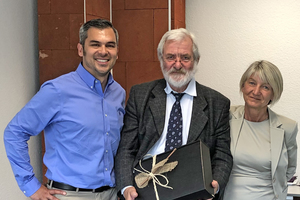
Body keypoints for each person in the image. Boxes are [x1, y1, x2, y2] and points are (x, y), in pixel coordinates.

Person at [4, 18, 125, 200]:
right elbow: (14, 132)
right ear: (80, 49)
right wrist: (31, 186)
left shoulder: (119, 93)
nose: (103, 51)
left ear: (117, 51)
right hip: (69, 195)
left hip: (112, 194)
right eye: (95, 44)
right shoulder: (57, 90)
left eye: (110, 45)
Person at [115, 28, 233, 200]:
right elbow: (126, 148)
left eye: (185, 57)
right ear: (161, 59)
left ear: (196, 60)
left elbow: (222, 155)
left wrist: (215, 184)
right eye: (170, 57)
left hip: (194, 191)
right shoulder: (140, 95)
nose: (177, 65)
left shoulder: (217, 103)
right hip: (145, 190)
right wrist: (126, 187)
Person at [223, 60, 298, 200]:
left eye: (265, 87)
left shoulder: (287, 127)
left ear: (273, 94)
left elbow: (289, 169)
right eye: (252, 83)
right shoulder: (226, 116)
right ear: (243, 86)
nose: (256, 91)